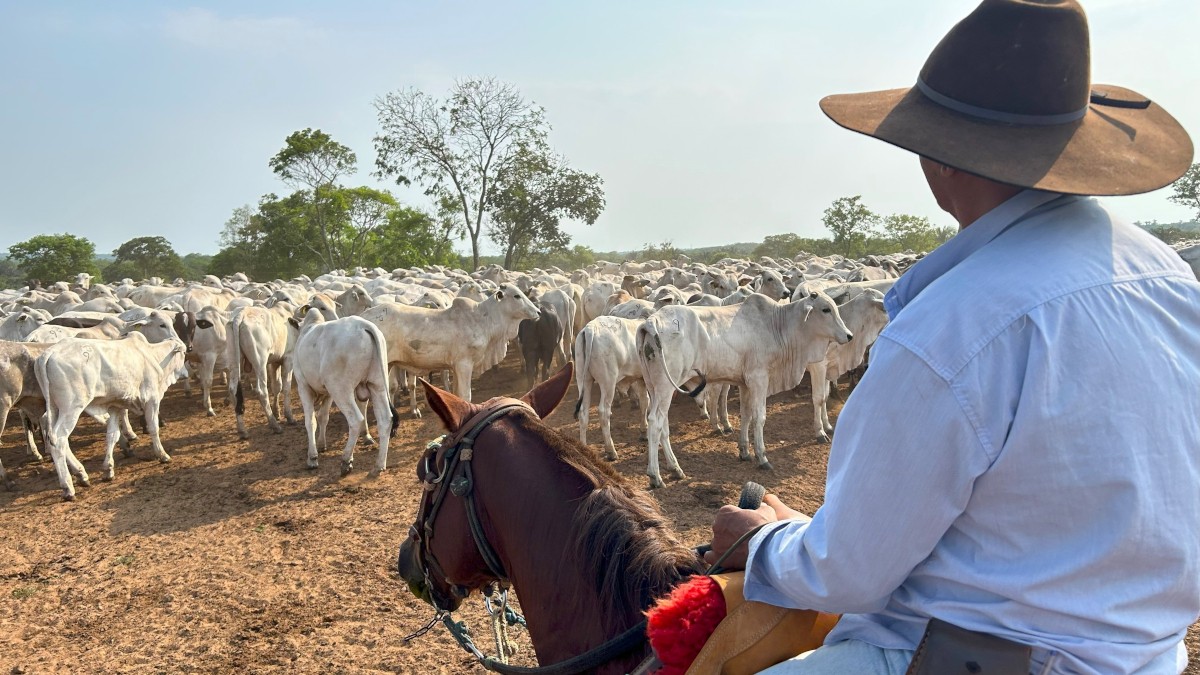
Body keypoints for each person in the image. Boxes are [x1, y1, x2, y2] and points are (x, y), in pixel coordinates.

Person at [704, 1, 1200, 673]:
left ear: (941, 160)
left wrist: (765, 545)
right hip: (1149, 657)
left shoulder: (952, 327)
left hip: (960, 658)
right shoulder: (1170, 282)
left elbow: (849, 571)